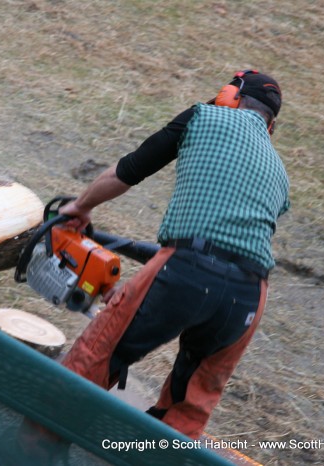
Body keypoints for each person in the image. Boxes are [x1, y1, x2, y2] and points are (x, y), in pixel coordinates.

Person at [57, 70, 290, 440]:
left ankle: (34, 446)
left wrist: (79, 207)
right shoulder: (280, 174)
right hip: (249, 298)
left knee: (95, 358)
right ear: (270, 126)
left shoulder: (203, 115)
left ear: (229, 97)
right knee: (188, 409)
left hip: (188, 269)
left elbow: (129, 170)